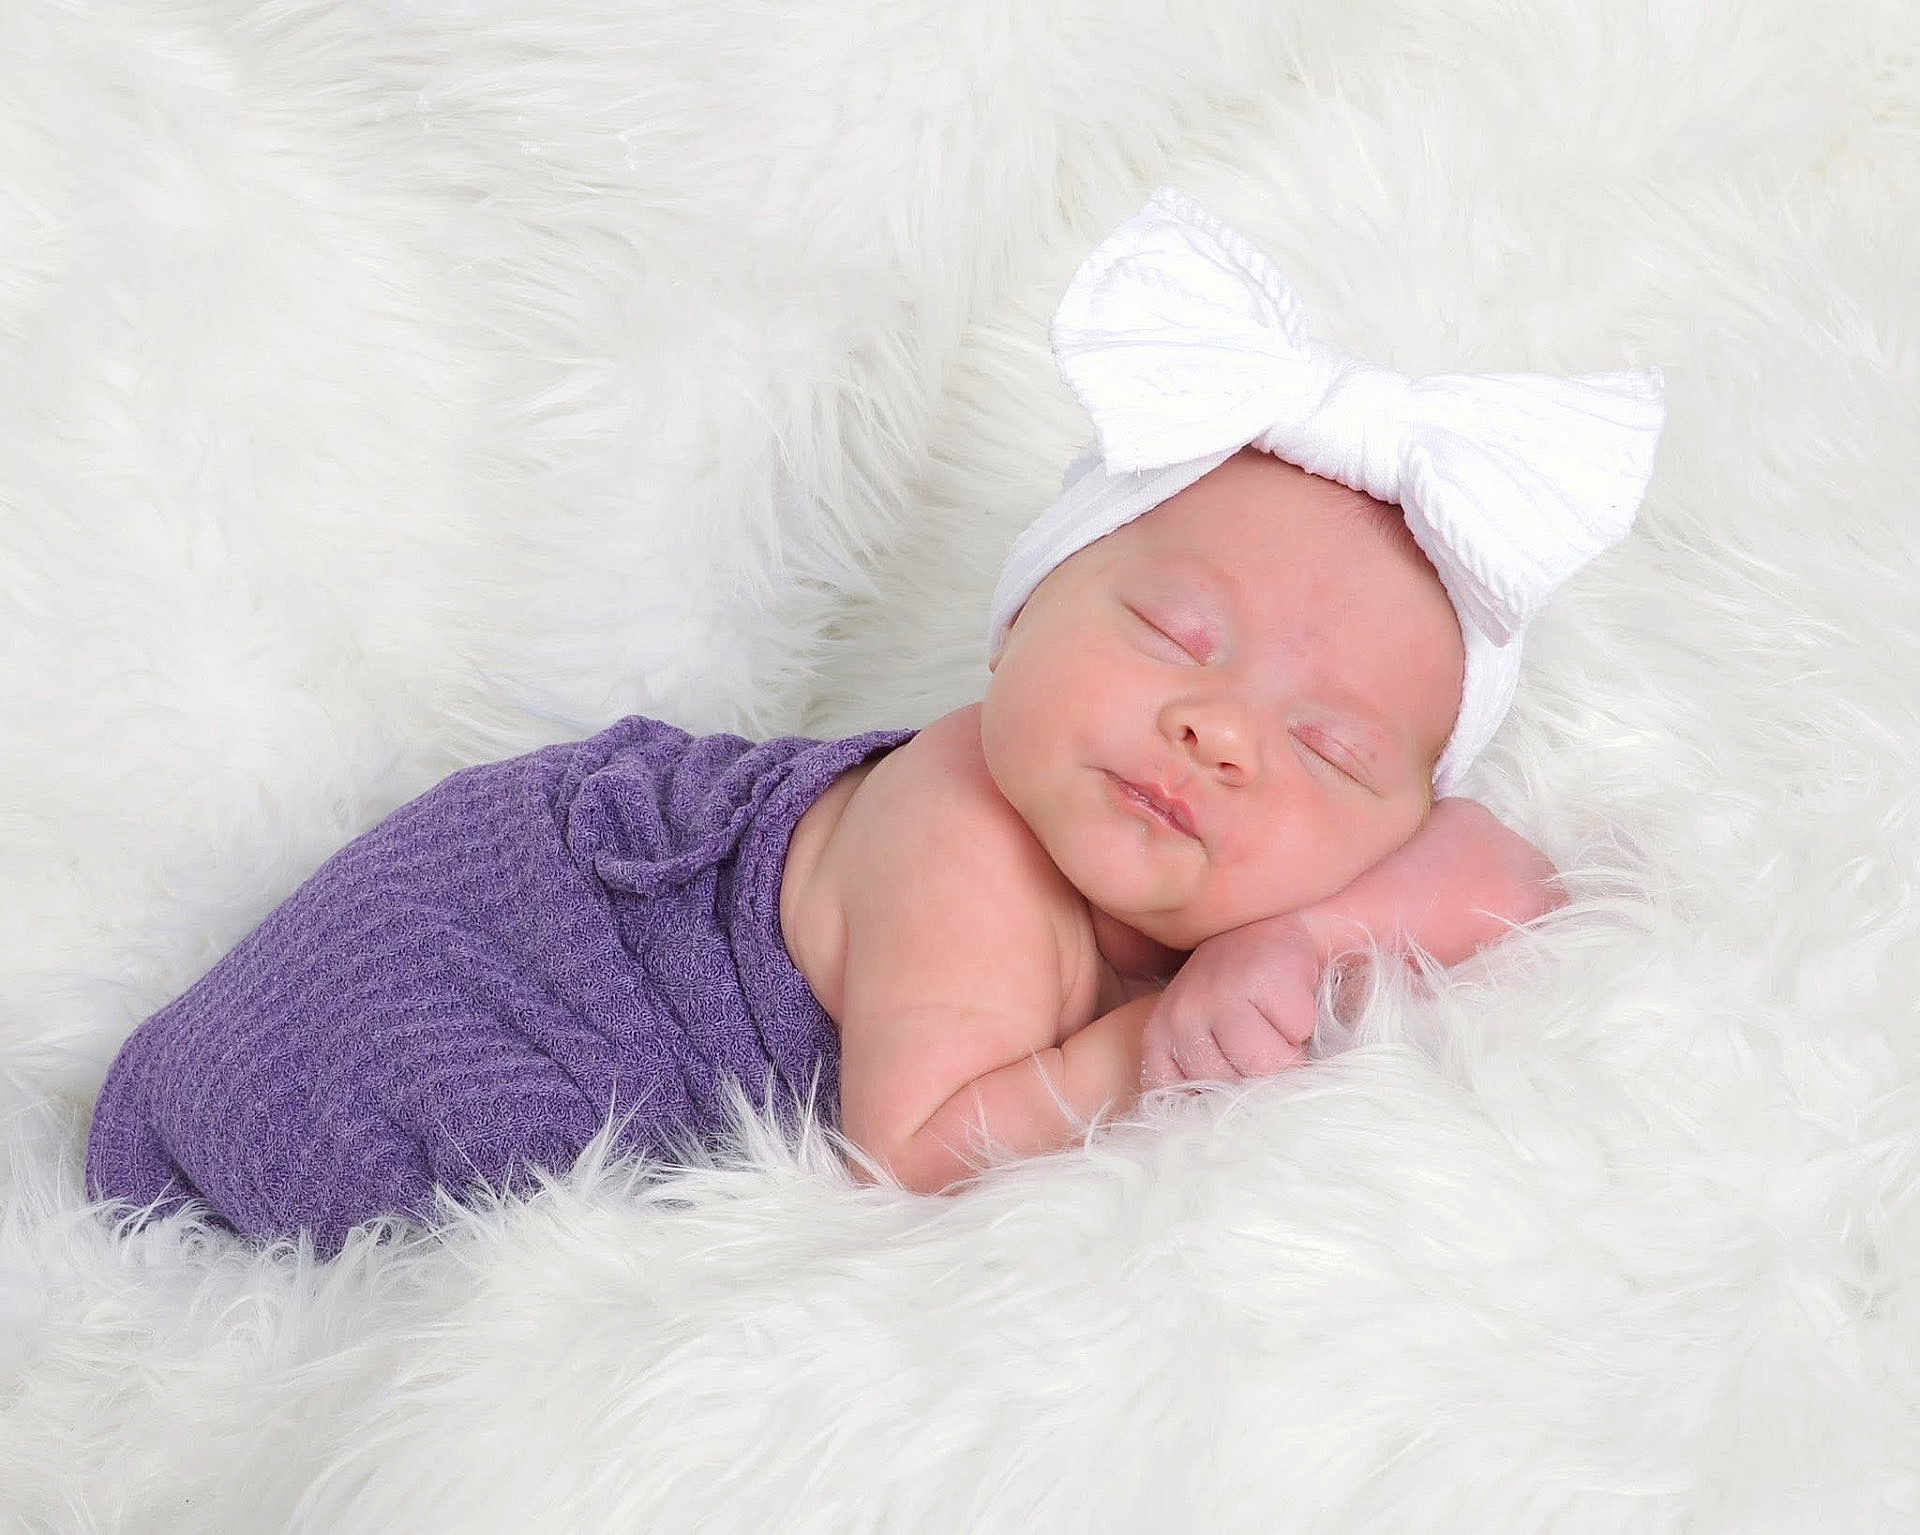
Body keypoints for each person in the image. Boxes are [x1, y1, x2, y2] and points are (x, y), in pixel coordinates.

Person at [85, 188, 1665, 1253]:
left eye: (1328, 748)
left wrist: (1294, 951)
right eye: (1177, 636)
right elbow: (909, 1152)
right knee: (462, 1214)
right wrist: (1151, 1045)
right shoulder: (968, 837)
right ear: (1021, 619)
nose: (1221, 732)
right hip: (470, 968)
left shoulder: (1248, 854)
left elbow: (1497, 870)